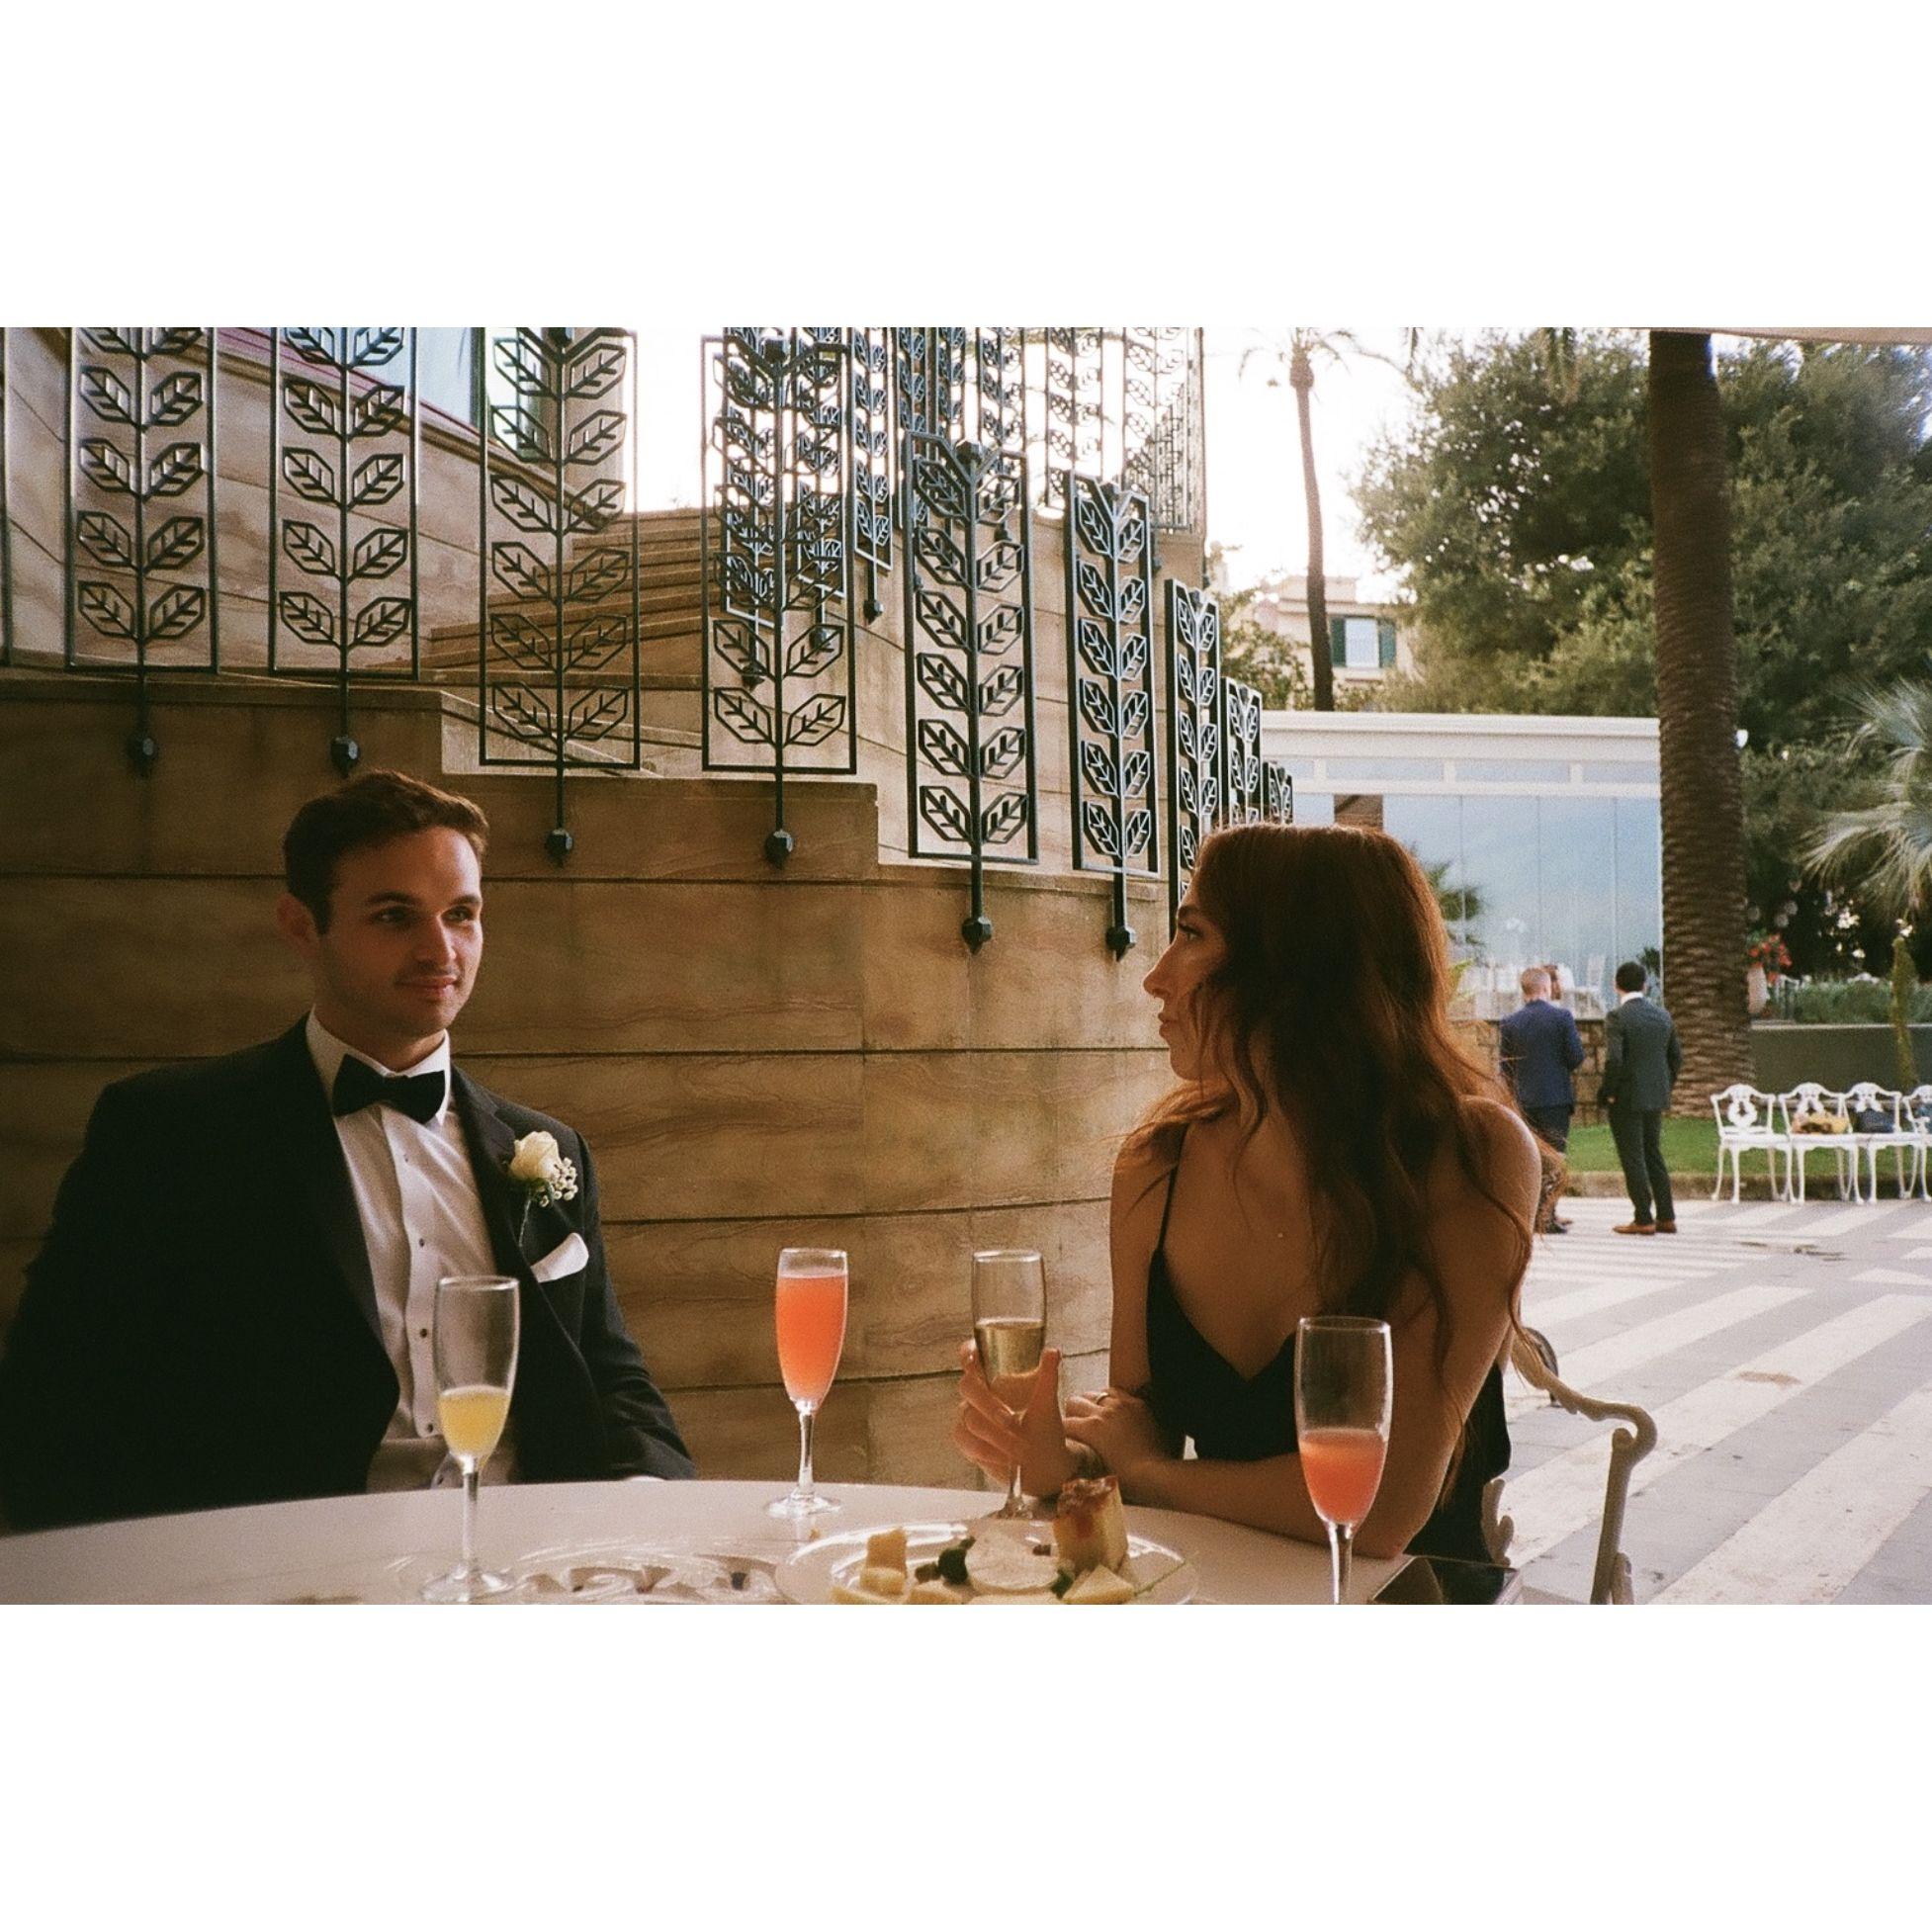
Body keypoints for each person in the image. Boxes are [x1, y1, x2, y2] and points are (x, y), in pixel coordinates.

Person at [0, 770, 694, 1532]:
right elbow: (54, 1399)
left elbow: (611, 1378)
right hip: (282, 1568)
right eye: (395, 916)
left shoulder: (550, 1149)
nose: (441, 949)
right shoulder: (169, 1135)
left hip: (524, 1558)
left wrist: (648, 1504)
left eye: (461, 914)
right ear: (302, 926)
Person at [951, 823, 1540, 1564]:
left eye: (1191, 934)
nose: (1155, 977)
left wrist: (1150, 1477)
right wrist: (1061, 1463)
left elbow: (1381, 1510)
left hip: (1415, 1598)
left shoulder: (1471, 1156)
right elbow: (1137, 1429)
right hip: (1224, 1590)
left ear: (1296, 965)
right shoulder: (1155, 1167)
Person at [1498, 965, 1586, 1234]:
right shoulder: (1562, 1018)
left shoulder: (1510, 1022)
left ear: (1524, 990)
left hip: (1524, 1099)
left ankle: (1534, 1214)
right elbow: (1576, 1057)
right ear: (1546, 988)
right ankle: (1548, 1215)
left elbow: (1505, 1067)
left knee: (1531, 1156)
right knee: (1555, 1157)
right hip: (1555, 1099)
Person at [1600, 959, 1684, 1236]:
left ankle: (1643, 1217)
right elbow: (1676, 1058)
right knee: (1653, 1153)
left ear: (1616, 985)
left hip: (1626, 1097)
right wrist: (1664, 1086)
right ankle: (1667, 1216)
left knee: (1633, 1156)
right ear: (1645, 986)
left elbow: (1614, 1060)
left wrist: (1609, 1093)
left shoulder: (1617, 1017)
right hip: (1655, 1095)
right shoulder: (1663, 1016)